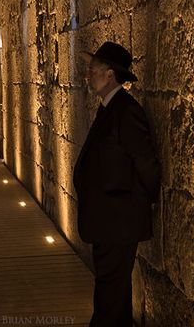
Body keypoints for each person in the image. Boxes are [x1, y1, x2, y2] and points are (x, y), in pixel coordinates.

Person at [73, 41, 160, 327]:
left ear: (110, 75)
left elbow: (145, 162)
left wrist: (138, 201)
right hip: (108, 217)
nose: (88, 75)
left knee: (110, 291)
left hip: (118, 217)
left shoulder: (125, 111)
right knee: (113, 289)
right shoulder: (109, 108)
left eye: (92, 70)